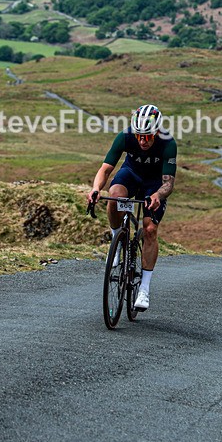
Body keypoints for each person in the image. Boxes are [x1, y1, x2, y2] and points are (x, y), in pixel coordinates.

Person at [87, 104, 177, 311]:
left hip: (154, 183)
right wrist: (95, 188)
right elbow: (106, 168)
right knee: (114, 197)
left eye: (147, 136)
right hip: (131, 173)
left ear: (156, 131)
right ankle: (117, 238)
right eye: (139, 136)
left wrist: (157, 195)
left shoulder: (167, 143)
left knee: (149, 229)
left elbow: (168, 183)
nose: (143, 141)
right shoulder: (125, 136)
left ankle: (144, 288)